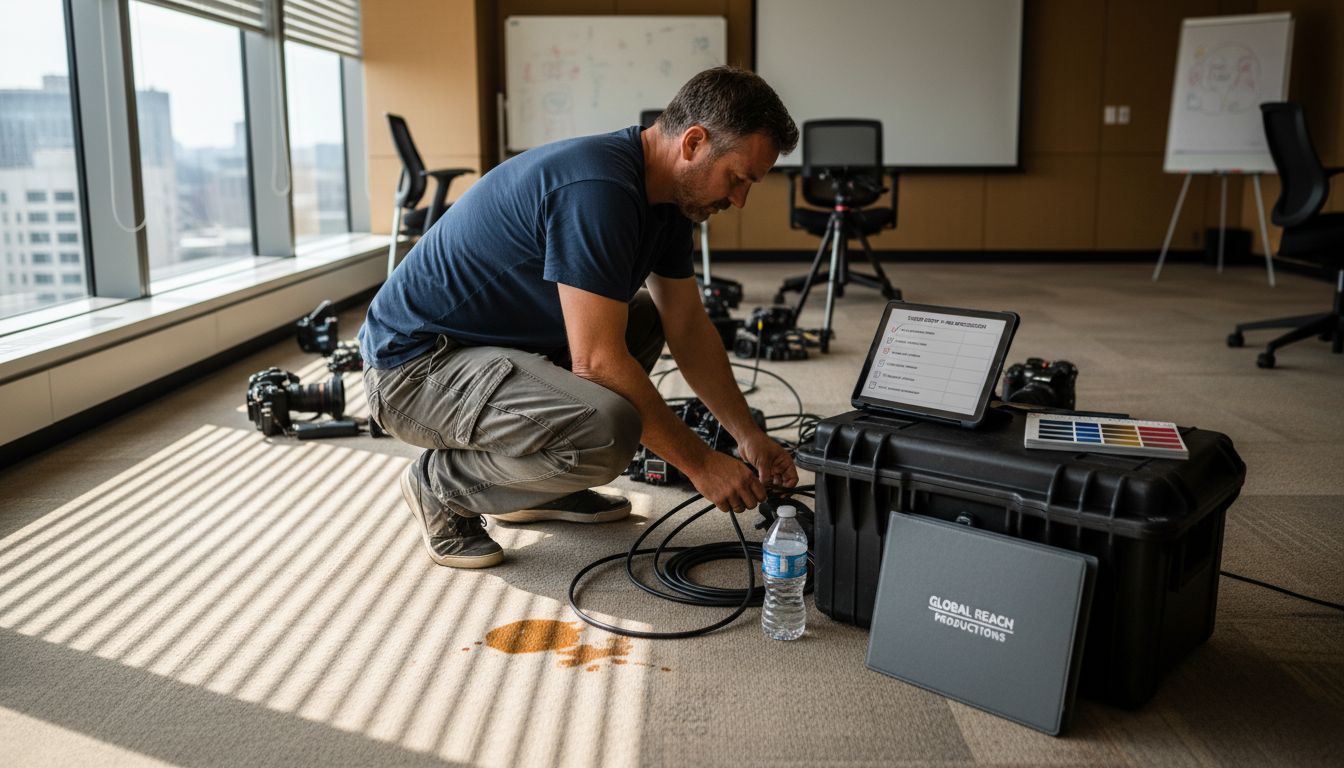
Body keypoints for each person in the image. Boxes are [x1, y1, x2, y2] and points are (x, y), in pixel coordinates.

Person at [359, 66, 800, 568]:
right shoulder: (598, 189)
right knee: (610, 427)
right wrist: (700, 464)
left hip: (488, 352)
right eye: (738, 178)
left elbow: (688, 326)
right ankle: (441, 486)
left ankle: (539, 486)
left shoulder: (668, 202)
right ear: (694, 143)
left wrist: (748, 436)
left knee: (646, 319)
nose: (739, 199)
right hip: (414, 371)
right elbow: (598, 363)